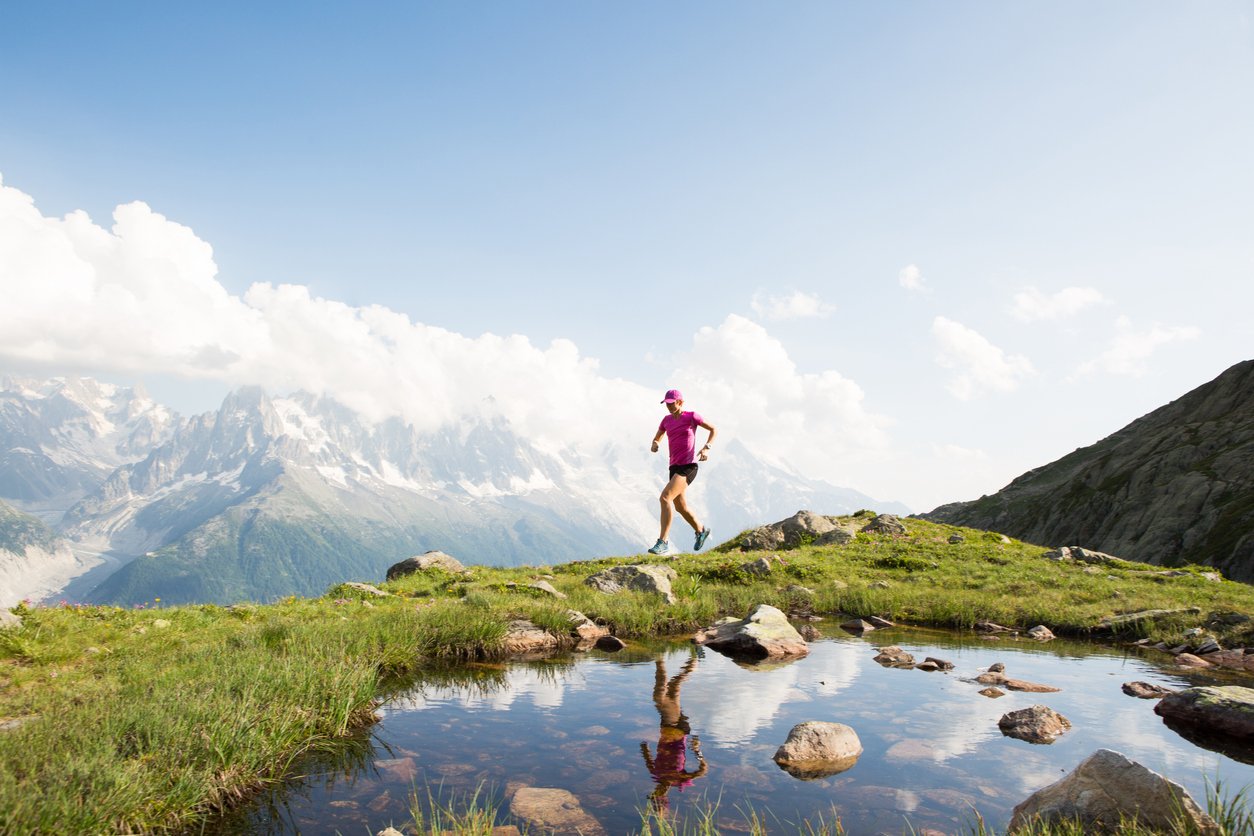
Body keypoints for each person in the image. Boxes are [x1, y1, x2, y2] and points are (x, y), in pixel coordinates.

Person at [649, 389, 716, 555]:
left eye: (672, 403)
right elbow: (658, 436)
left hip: (688, 466)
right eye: (667, 404)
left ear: (680, 402)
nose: (669, 407)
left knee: (665, 498)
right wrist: (655, 443)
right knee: (680, 506)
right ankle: (701, 531)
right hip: (674, 466)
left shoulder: (692, 417)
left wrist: (707, 448)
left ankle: (663, 542)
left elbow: (713, 429)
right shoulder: (666, 420)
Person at [640, 654, 707, 811]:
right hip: (677, 729)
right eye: (656, 796)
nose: (655, 792)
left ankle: (692, 659)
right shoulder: (680, 780)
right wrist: (697, 751)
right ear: (663, 797)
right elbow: (703, 770)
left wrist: (644, 746)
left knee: (674, 686)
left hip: (666, 726)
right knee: (660, 695)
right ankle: (660, 658)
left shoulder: (655, 774)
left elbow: (647, 757)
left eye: (653, 794)